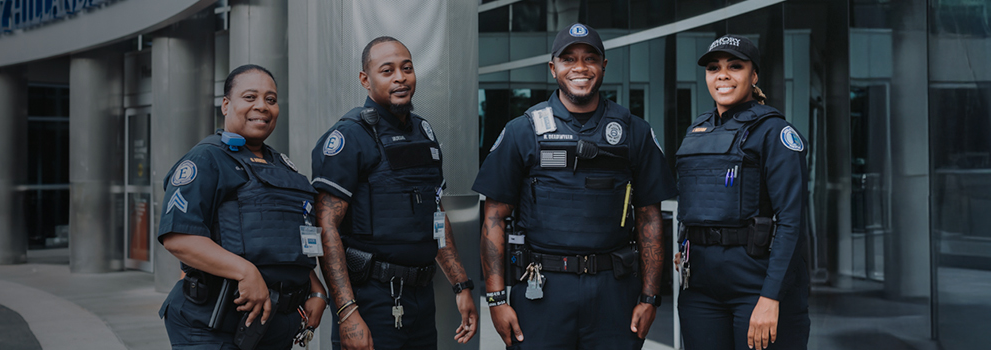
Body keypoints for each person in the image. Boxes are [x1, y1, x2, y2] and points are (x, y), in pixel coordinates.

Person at [472, 23, 675, 349]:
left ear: (603, 66)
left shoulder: (633, 131)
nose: (580, 68)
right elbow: (494, 218)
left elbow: (649, 217)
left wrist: (651, 297)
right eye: (568, 59)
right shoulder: (522, 131)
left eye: (590, 58)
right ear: (553, 68)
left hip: (615, 291)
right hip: (542, 290)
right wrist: (496, 300)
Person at [310, 36, 478, 350]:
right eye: (387, 71)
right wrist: (346, 312)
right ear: (365, 79)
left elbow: (435, 215)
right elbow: (325, 228)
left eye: (407, 68)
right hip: (370, 300)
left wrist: (461, 285)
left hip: (421, 300)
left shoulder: (423, 132)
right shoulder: (349, 137)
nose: (400, 77)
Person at [158, 64, 330, 350]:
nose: (262, 106)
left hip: (274, 326)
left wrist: (315, 289)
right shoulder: (207, 159)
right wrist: (245, 271)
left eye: (271, 100)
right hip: (213, 328)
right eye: (250, 97)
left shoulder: (284, 166)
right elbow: (178, 238)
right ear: (226, 105)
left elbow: (286, 243)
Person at [674, 34, 811, 350]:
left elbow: (791, 222)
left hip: (756, 282)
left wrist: (770, 296)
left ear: (754, 76)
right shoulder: (697, 130)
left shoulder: (775, 132)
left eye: (735, 66)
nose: (722, 75)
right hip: (700, 288)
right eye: (713, 67)